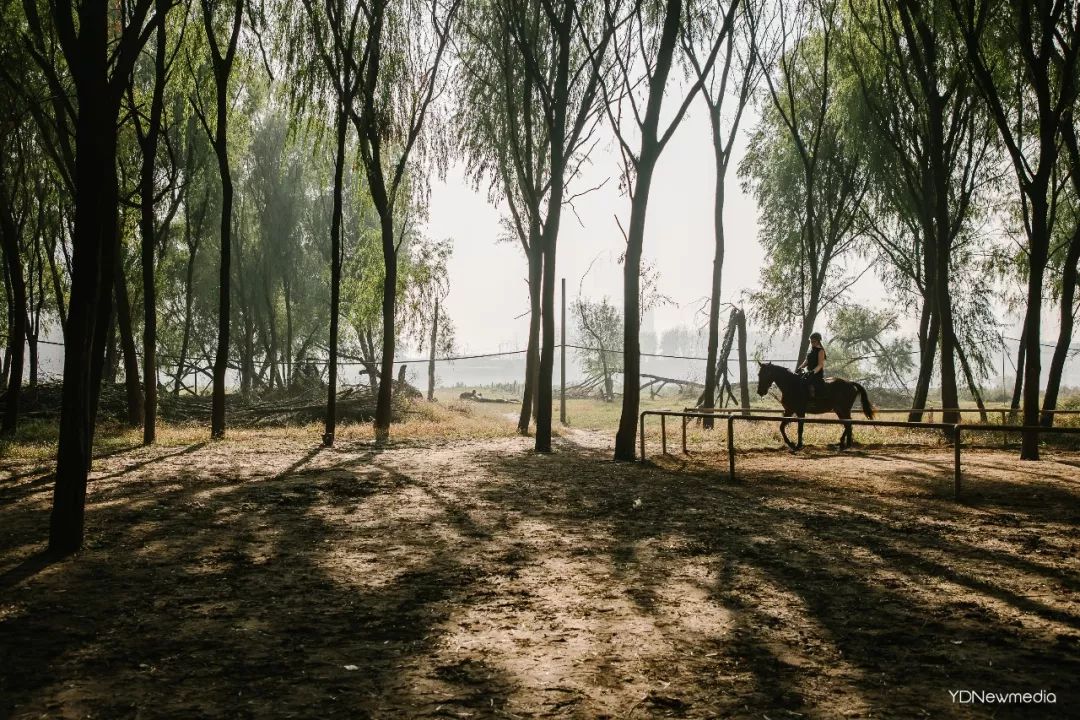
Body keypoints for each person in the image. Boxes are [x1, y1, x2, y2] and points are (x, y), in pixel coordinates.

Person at [797, 332, 826, 399]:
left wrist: (813, 372)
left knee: (808, 383)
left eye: (813, 341)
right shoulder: (811, 351)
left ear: (818, 341)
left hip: (817, 373)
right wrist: (799, 368)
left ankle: (812, 400)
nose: (812, 343)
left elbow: (820, 364)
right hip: (809, 372)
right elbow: (806, 362)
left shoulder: (821, 351)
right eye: (811, 341)